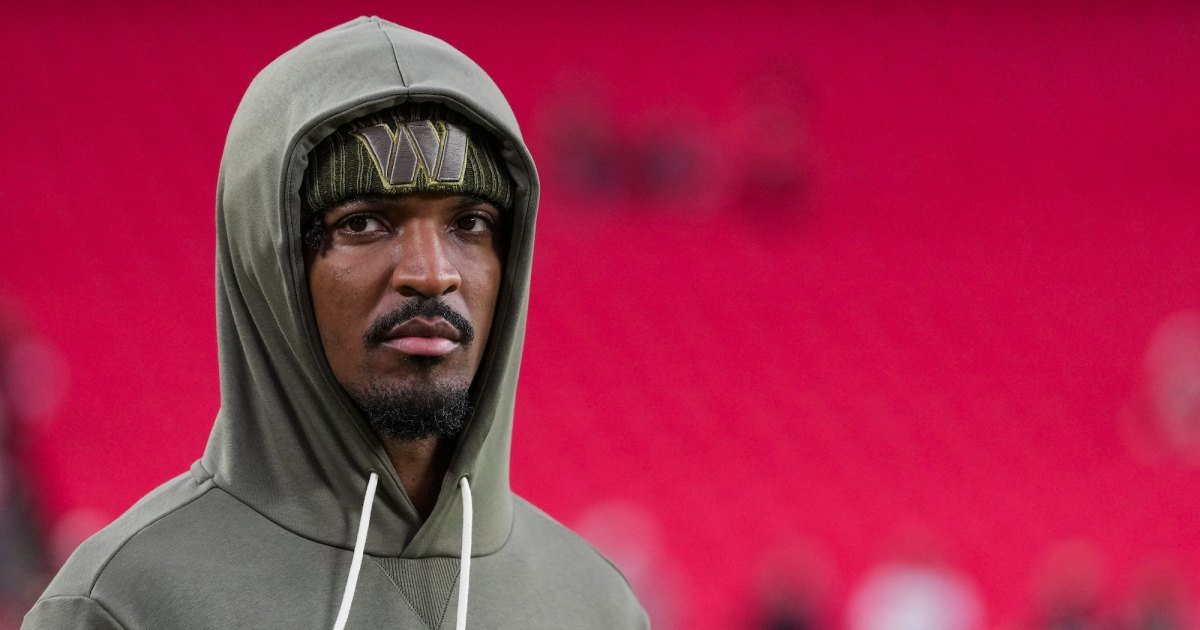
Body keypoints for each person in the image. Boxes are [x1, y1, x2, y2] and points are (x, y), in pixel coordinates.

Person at [25, 17, 647, 629]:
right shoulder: (124, 605)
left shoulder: (599, 607)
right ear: (272, 265)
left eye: (470, 224)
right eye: (363, 223)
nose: (432, 274)